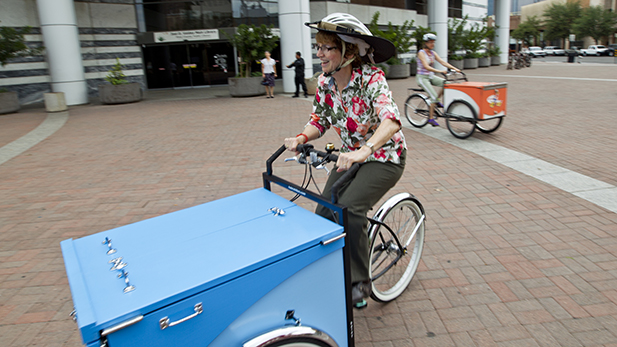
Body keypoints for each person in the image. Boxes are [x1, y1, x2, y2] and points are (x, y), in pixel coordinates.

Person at [283, 13, 406, 307]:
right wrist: (301, 138)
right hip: (349, 157)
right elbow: (320, 119)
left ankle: (359, 281)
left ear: (348, 51)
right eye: (319, 46)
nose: (319, 53)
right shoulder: (325, 83)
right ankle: (334, 270)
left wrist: (366, 149)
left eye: (327, 47)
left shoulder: (371, 79)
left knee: (350, 209)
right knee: (325, 212)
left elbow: (392, 121)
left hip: (384, 157)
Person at [416, 33, 461, 126]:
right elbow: (426, 66)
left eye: (433, 42)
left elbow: (442, 62)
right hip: (422, 77)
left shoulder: (433, 53)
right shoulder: (421, 53)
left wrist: (455, 69)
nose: (432, 44)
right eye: (430, 42)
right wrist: (439, 71)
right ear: (425, 43)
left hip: (431, 76)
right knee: (433, 97)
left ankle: (436, 101)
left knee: (446, 83)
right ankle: (431, 118)